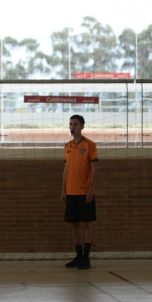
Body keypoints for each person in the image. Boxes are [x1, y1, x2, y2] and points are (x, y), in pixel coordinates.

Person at [61, 114, 98, 270]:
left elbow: (94, 169)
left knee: (87, 224)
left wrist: (91, 188)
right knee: (74, 225)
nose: (72, 127)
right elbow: (66, 169)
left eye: (75, 124)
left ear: (82, 126)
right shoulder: (67, 146)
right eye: (70, 124)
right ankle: (78, 256)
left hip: (84, 192)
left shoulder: (89, 145)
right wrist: (63, 189)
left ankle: (86, 257)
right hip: (71, 192)